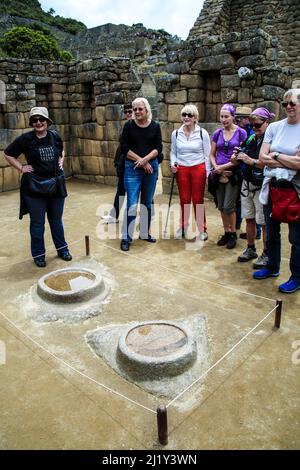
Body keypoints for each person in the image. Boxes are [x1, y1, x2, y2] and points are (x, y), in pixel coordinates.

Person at [4, 107, 71, 267]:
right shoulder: (26, 139)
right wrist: (21, 168)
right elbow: (8, 153)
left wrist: (61, 160)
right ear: (32, 123)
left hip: (55, 185)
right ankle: (39, 255)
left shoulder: (54, 136)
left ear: (47, 121)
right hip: (35, 188)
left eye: (41, 120)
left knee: (56, 221)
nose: (38, 123)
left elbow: (61, 149)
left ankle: (63, 250)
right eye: (35, 120)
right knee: (37, 223)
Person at [253, 89, 300, 293]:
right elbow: (262, 159)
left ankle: (297, 276)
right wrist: (288, 160)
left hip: (295, 190)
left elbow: (299, 165)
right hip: (273, 187)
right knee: (271, 231)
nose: (288, 106)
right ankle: (272, 267)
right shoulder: (274, 127)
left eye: (292, 103)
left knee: (297, 238)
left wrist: (276, 154)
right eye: (285, 103)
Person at [231, 107, 275, 267]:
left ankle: (266, 253)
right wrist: (236, 157)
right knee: (249, 218)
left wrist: (252, 161)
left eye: (258, 125)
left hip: (261, 185)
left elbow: (272, 162)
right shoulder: (250, 139)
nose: (254, 128)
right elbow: (239, 156)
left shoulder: (271, 140)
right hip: (247, 184)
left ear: (267, 123)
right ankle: (251, 248)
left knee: (263, 222)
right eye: (252, 125)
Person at [120, 97, 162, 251]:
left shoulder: (155, 126)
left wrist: (146, 160)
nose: (137, 112)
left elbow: (158, 148)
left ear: (146, 110)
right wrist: (140, 160)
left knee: (147, 202)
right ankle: (126, 237)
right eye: (134, 109)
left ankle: (144, 232)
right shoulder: (128, 126)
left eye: (140, 109)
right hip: (133, 168)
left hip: (151, 167)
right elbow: (124, 148)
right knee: (131, 203)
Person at [170, 104, 211, 241]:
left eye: (190, 115)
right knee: (184, 199)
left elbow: (207, 154)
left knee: (198, 200)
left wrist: (208, 172)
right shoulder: (176, 133)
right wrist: (173, 163)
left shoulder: (202, 133)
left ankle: (202, 229)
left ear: (195, 118)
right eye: (184, 114)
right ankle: (182, 226)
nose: (186, 117)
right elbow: (173, 152)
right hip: (182, 169)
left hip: (198, 168)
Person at [209, 104, 247, 249]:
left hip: (233, 174)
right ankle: (226, 232)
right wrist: (216, 168)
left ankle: (233, 233)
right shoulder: (217, 133)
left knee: (229, 206)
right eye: (222, 116)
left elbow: (240, 156)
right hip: (218, 174)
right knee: (220, 205)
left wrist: (222, 168)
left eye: (226, 116)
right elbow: (212, 154)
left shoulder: (241, 133)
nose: (224, 119)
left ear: (233, 117)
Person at [101, 103, 133, 224]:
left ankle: (149, 215)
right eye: (126, 112)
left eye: (131, 111)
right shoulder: (127, 126)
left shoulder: (139, 127)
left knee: (142, 191)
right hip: (123, 164)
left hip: (135, 165)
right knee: (120, 190)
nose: (128, 114)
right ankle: (114, 216)